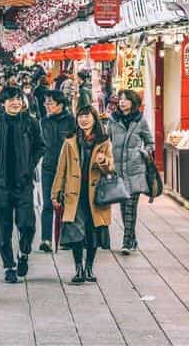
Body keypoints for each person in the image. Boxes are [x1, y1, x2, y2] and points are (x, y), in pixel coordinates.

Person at [0, 85, 44, 283]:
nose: (15, 102)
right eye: (11, 100)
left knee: (28, 224)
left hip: (24, 184)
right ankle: (9, 266)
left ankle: (23, 253)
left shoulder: (31, 123)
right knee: (3, 228)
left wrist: (29, 165)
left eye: (18, 99)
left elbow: (40, 146)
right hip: (1, 185)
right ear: (3, 103)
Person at [52, 103, 114, 284]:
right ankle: (79, 268)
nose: (84, 120)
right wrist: (56, 193)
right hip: (74, 194)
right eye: (81, 116)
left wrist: (103, 162)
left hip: (96, 195)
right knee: (76, 233)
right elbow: (61, 169)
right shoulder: (70, 141)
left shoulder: (103, 141)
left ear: (94, 119)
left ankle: (89, 268)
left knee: (92, 232)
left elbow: (111, 168)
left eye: (87, 116)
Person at [108, 89, 155, 255]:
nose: (122, 102)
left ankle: (126, 242)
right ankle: (132, 238)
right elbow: (107, 141)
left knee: (131, 207)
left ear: (133, 103)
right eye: (120, 99)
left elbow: (150, 142)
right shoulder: (113, 120)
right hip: (118, 170)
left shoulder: (140, 120)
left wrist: (143, 152)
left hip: (135, 170)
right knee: (123, 207)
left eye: (126, 100)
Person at [39, 90, 76, 253]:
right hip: (48, 166)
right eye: (46, 103)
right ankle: (46, 239)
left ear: (60, 105)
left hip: (67, 168)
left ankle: (65, 238)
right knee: (48, 202)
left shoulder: (71, 121)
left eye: (50, 103)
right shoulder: (43, 121)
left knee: (67, 202)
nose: (47, 106)